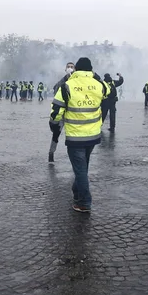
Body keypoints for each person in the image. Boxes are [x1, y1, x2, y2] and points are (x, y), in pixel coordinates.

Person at [49, 57, 107, 213]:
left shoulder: (67, 86)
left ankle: (84, 202)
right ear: (90, 70)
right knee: (82, 167)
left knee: (80, 170)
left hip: (75, 136)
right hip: (93, 136)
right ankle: (77, 192)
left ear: (76, 69)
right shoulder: (98, 85)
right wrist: (95, 76)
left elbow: (56, 111)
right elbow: (108, 90)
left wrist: (53, 124)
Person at [48, 62, 75, 162]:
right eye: (68, 67)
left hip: (73, 114)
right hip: (62, 113)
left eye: (72, 67)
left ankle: (74, 157)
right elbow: (55, 92)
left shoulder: (77, 82)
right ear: (65, 69)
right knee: (56, 134)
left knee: (73, 136)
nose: (70, 68)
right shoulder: (61, 82)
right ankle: (51, 153)